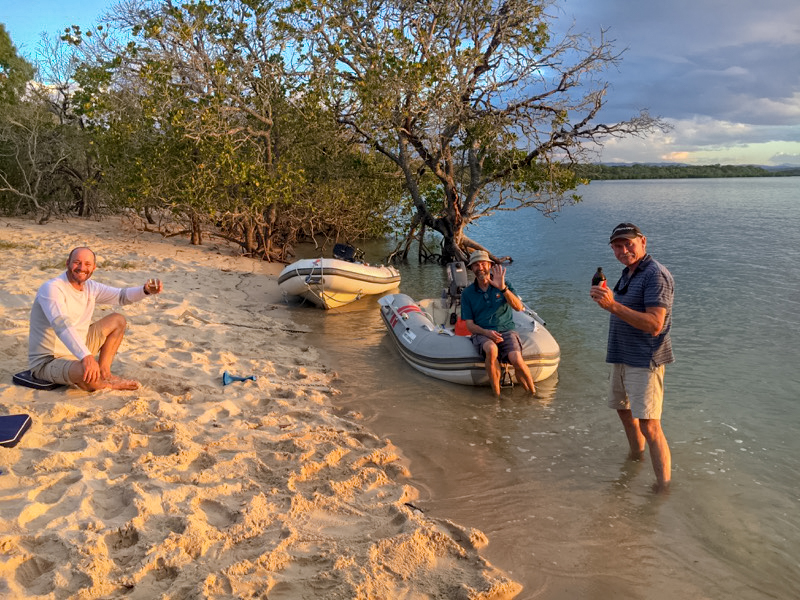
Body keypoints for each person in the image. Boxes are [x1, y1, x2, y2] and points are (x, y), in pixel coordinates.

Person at [590, 223, 674, 492]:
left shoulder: (655, 275)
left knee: (650, 425)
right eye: (618, 245)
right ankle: (636, 458)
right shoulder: (629, 273)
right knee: (624, 410)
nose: (624, 249)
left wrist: (612, 305)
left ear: (643, 241)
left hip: (644, 358)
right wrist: (609, 302)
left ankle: (664, 489)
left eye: (629, 244)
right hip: (622, 355)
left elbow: (654, 324)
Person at [28, 246, 163, 391]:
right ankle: (109, 385)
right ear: (67, 263)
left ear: (94, 267)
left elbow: (122, 296)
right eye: (77, 262)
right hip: (49, 360)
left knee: (117, 320)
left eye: (87, 264)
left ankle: (105, 373)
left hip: (78, 350)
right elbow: (61, 325)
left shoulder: (91, 287)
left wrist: (145, 290)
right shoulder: (52, 288)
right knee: (86, 374)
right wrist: (86, 356)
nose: (81, 268)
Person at [460, 250, 536, 396]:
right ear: (471, 269)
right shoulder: (467, 293)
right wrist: (486, 332)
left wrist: (503, 288)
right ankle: (497, 395)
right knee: (492, 349)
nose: (480, 267)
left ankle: (532, 394)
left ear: (490, 265)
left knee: (516, 359)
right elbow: (469, 325)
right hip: (483, 332)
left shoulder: (504, 284)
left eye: (483, 263)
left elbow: (519, 307)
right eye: (475, 265)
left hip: (506, 329)